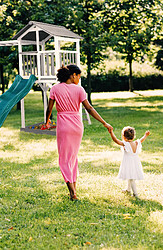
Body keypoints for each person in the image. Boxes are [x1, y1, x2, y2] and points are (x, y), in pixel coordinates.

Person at [45, 65, 112, 201]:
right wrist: (104, 122)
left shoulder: (55, 89)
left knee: (64, 159)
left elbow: (49, 109)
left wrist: (46, 122)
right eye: (79, 76)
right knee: (73, 158)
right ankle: (73, 190)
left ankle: (72, 192)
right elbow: (89, 108)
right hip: (77, 127)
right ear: (73, 75)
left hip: (64, 127)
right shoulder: (79, 89)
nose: (79, 79)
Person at [108, 126, 150, 198]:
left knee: (131, 178)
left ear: (124, 137)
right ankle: (128, 189)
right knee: (130, 176)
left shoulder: (125, 144)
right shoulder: (137, 143)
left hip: (129, 163)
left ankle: (135, 194)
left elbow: (116, 140)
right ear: (133, 136)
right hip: (135, 163)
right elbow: (142, 139)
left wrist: (111, 132)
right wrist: (145, 135)